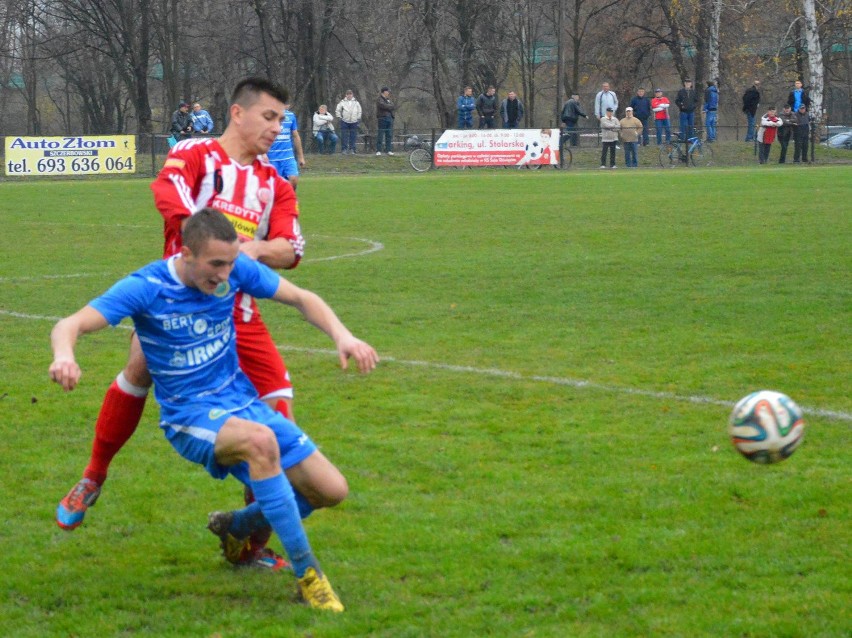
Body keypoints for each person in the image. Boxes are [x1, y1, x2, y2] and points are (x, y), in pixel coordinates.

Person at [55, 78, 326, 573]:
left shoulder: (276, 185)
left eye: (283, 121)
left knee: (277, 419)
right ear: (237, 113)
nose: (278, 128)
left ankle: (246, 538)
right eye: (269, 117)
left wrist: (255, 250)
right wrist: (213, 243)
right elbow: (169, 198)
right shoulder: (193, 155)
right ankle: (93, 476)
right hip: (178, 302)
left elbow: (293, 250)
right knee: (139, 365)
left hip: (241, 311)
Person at [50, 209, 379, 612]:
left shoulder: (235, 270)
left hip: (240, 401)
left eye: (230, 263)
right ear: (186, 253)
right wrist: (64, 355)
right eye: (215, 265)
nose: (225, 275)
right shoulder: (146, 286)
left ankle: (235, 526)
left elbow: (301, 298)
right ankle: (309, 575)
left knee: (331, 490)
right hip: (189, 417)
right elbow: (70, 324)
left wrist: (343, 335)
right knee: (262, 444)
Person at [268, 100, 306, 189]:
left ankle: (290, 200)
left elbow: (296, 136)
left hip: (288, 157)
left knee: (294, 179)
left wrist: (301, 157)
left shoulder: (291, 116)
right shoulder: (269, 117)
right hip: (272, 158)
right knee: (274, 185)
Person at [335, 90, 362, 155]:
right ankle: (344, 149)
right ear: (346, 95)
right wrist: (339, 117)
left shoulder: (356, 102)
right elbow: (338, 110)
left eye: (350, 94)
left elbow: (359, 111)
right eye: (348, 94)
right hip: (344, 121)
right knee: (344, 136)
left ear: (352, 95)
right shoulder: (342, 102)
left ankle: (352, 149)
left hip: (354, 122)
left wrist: (358, 118)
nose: (349, 95)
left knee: (353, 136)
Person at [375, 87, 396, 155]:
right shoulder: (379, 99)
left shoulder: (388, 99)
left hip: (389, 118)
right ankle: (378, 150)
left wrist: (389, 106)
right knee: (380, 134)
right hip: (382, 118)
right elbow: (383, 106)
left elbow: (393, 106)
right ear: (384, 92)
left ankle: (388, 150)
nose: (388, 93)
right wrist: (389, 106)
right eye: (387, 91)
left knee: (389, 135)